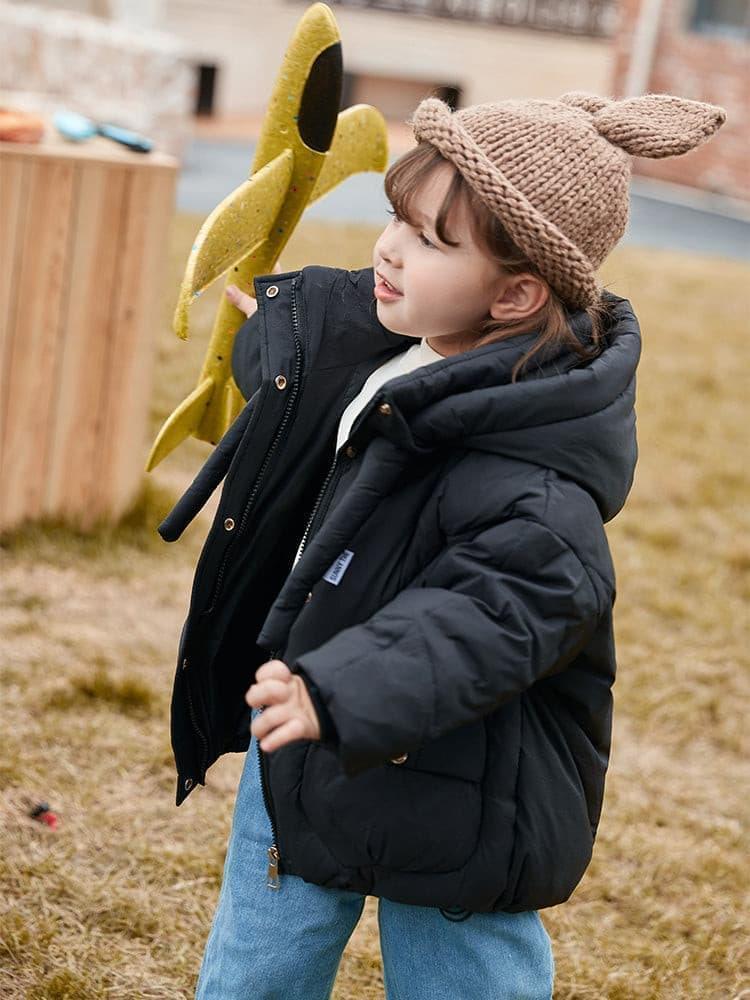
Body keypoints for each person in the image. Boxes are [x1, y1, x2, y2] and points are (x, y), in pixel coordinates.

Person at [158, 91, 726, 999]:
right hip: (307, 728)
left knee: (460, 967)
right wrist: (281, 340)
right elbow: (325, 381)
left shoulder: (536, 473)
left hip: (463, 771)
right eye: (395, 215)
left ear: (514, 294)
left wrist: (341, 688)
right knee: (264, 945)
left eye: (430, 240)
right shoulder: (402, 346)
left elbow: (495, 609)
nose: (388, 246)